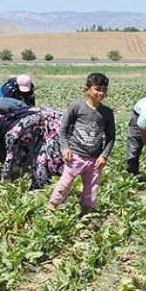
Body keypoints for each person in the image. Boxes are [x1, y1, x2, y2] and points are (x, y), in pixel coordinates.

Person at [48, 73, 115, 213]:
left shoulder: (107, 113)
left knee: (92, 189)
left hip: (95, 160)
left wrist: (104, 156)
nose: (101, 92)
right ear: (87, 90)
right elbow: (63, 130)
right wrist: (65, 147)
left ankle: (87, 214)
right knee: (64, 184)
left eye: (104, 89)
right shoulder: (77, 107)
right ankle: (52, 208)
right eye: (97, 89)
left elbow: (111, 138)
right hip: (75, 156)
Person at [0, 107, 64, 190]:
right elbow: (22, 151)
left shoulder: (11, 134)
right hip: (45, 126)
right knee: (39, 164)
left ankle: (62, 189)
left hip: (52, 125)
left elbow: (10, 160)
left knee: (52, 161)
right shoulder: (9, 120)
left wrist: (5, 181)